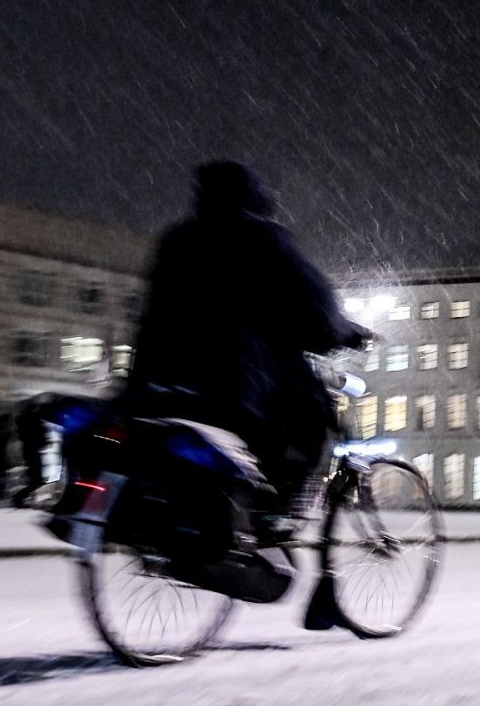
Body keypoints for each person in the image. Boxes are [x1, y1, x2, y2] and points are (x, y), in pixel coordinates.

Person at [121, 162, 369, 527]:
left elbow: (151, 312)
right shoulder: (265, 237)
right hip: (235, 379)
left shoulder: (177, 239)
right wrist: (343, 332)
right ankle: (278, 510)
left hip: (162, 380)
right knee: (313, 414)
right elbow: (314, 303)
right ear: (255, 196)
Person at [11, 397, 51, 508]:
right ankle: (18, 497)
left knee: (35, 478)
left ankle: (21, 497)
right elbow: (42, 437)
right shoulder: (35, 419)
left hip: (27, 450)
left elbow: (22, 435)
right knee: (38, 479)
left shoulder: (22, 419)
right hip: (33, 450)